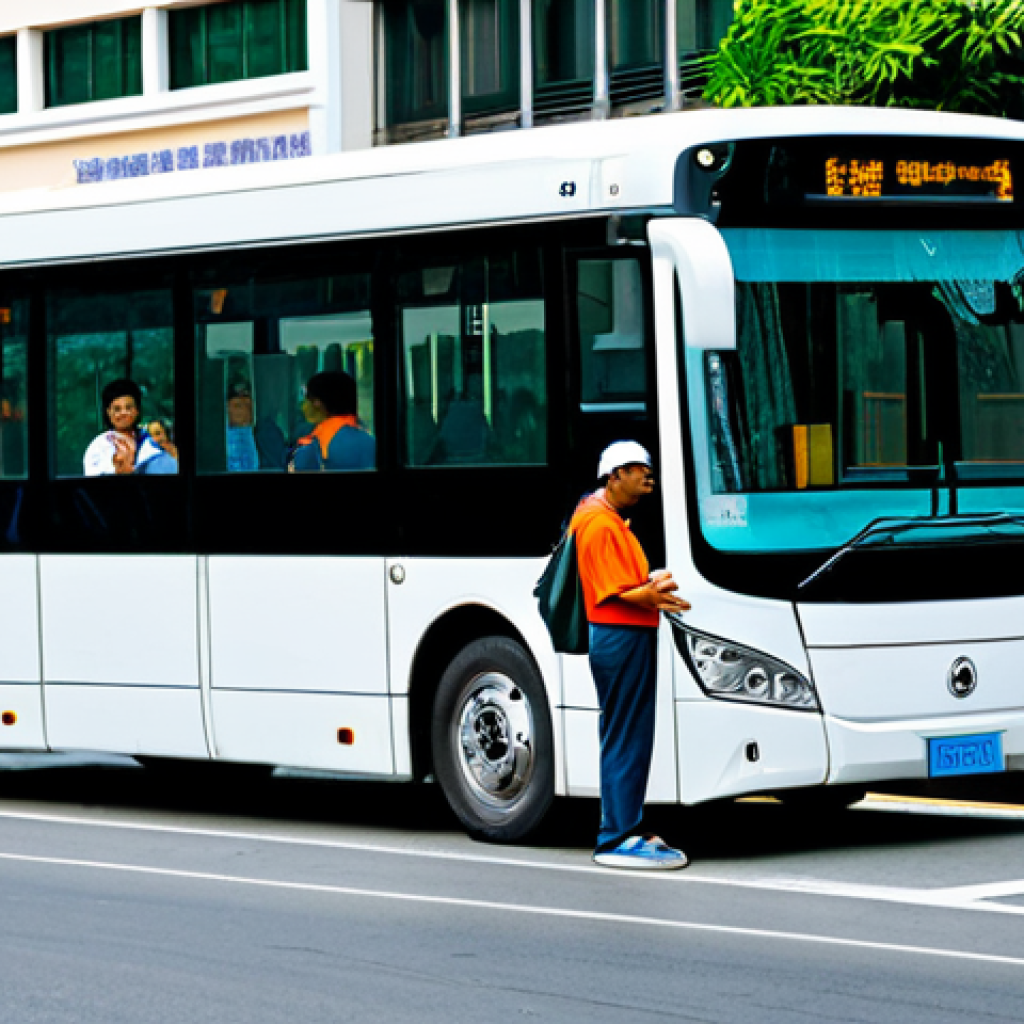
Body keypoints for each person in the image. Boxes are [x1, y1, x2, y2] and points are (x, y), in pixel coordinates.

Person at [569, 440, 691, 870]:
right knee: (626, 735)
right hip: (620, 638)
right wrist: (656, 594)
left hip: (625, 636)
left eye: (647, 468)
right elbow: (613, 593)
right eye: (637, 469)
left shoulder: (609, 520)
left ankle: (624, 827)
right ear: (614, 475)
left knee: (627, 733)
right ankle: (617, 835)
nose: (647, 475)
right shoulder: (599, 525)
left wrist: (654, 593)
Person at [83, 379, 177, 476]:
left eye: (128, 408)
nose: (123, 413)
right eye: (117, 409)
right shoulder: (98, 446)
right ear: (108, 412)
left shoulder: (154, 438)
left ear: (137, 410)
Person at [289, 369, 375, 472]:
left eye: (307, 398)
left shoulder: (311, 447)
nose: (303, 405)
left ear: (317, 403)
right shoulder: (369, 440)